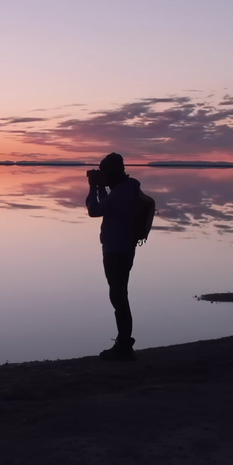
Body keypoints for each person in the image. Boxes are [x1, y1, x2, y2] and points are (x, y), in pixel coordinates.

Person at [86, 152, 141, 361]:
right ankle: (124, 342)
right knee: (119, 294)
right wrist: (101, 187)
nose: (102, 175)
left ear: (113, 172)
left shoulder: (123, 191)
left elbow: (95, 210)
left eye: (104, 172)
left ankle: (124, 344)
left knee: (118, 296)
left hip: (117, 250)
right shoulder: (126, 188)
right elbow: (107, 206)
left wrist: (93, 187)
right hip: (121, 247)